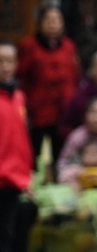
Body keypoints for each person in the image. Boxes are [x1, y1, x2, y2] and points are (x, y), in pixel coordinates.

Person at [18, 5, 80, 163]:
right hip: (38, 111)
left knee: (61, 155)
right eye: (49, 20)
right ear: (40, 23)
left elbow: (75, 76)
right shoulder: (29, 46)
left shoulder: (69, 46)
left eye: (57, 20)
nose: (53, 24)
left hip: (63, 110)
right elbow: (22, 77)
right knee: (34, 154)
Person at [0, 43, 33, 252]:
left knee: (15, 237)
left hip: (16, 179)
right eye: (0, 61)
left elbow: (22, 139)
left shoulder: (19, 96)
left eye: (9, 60)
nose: (4, 66)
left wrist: (27, 175)